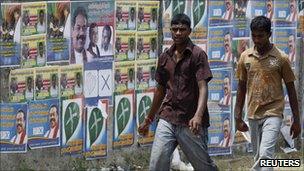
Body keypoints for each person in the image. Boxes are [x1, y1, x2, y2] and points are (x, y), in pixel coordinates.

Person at [138, 14, 217, 170]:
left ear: (189, 31)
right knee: (156, 164)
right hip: (167, 117)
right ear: (171, 30)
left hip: (190, 121)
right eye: (175, 29)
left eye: (182, 29)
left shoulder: (197, 55)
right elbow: (160, 90)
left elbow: (203, 87)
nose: (178, 33)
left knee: (203, 167)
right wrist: (148, 119)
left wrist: (198, 116)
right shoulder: (165, 58)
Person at [235, 16, 301, 171]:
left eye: (261, 36)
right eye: (254, 36)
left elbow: (291, 90)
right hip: (253, 113)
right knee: (260, 158)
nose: (257, 40)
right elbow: (241, 88)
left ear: (269, 34)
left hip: (273, 113)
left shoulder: (280, 58)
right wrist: (237, 117)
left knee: (265, 155)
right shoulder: (246, 57)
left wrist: (297, 120)